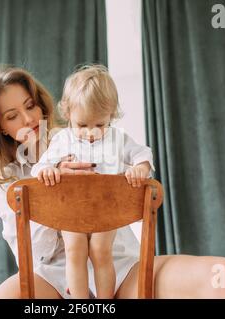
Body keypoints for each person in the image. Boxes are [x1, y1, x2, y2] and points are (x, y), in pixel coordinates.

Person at [0, 65, 225, 299]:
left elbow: (139, 162)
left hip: (120, 266)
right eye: (13, 116)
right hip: (55, 279)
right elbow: (35, 256)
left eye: (30, 106)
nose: (29, 119)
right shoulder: (8, 181)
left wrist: (136, 169)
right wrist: (56, 190)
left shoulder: (87, 134)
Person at [30, 65, 154, 299]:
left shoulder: (118, 138)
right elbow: (39, 168)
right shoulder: (62, 140)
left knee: (100, 251)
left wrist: (140, 168)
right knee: (74, 250)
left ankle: (104, 302)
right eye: (82, 125)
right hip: (70, 211)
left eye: (100, 125)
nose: (91, 133)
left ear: (111, 116)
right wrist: (49, 169)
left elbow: (142, 154)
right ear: (67, 114)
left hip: (106, 210)